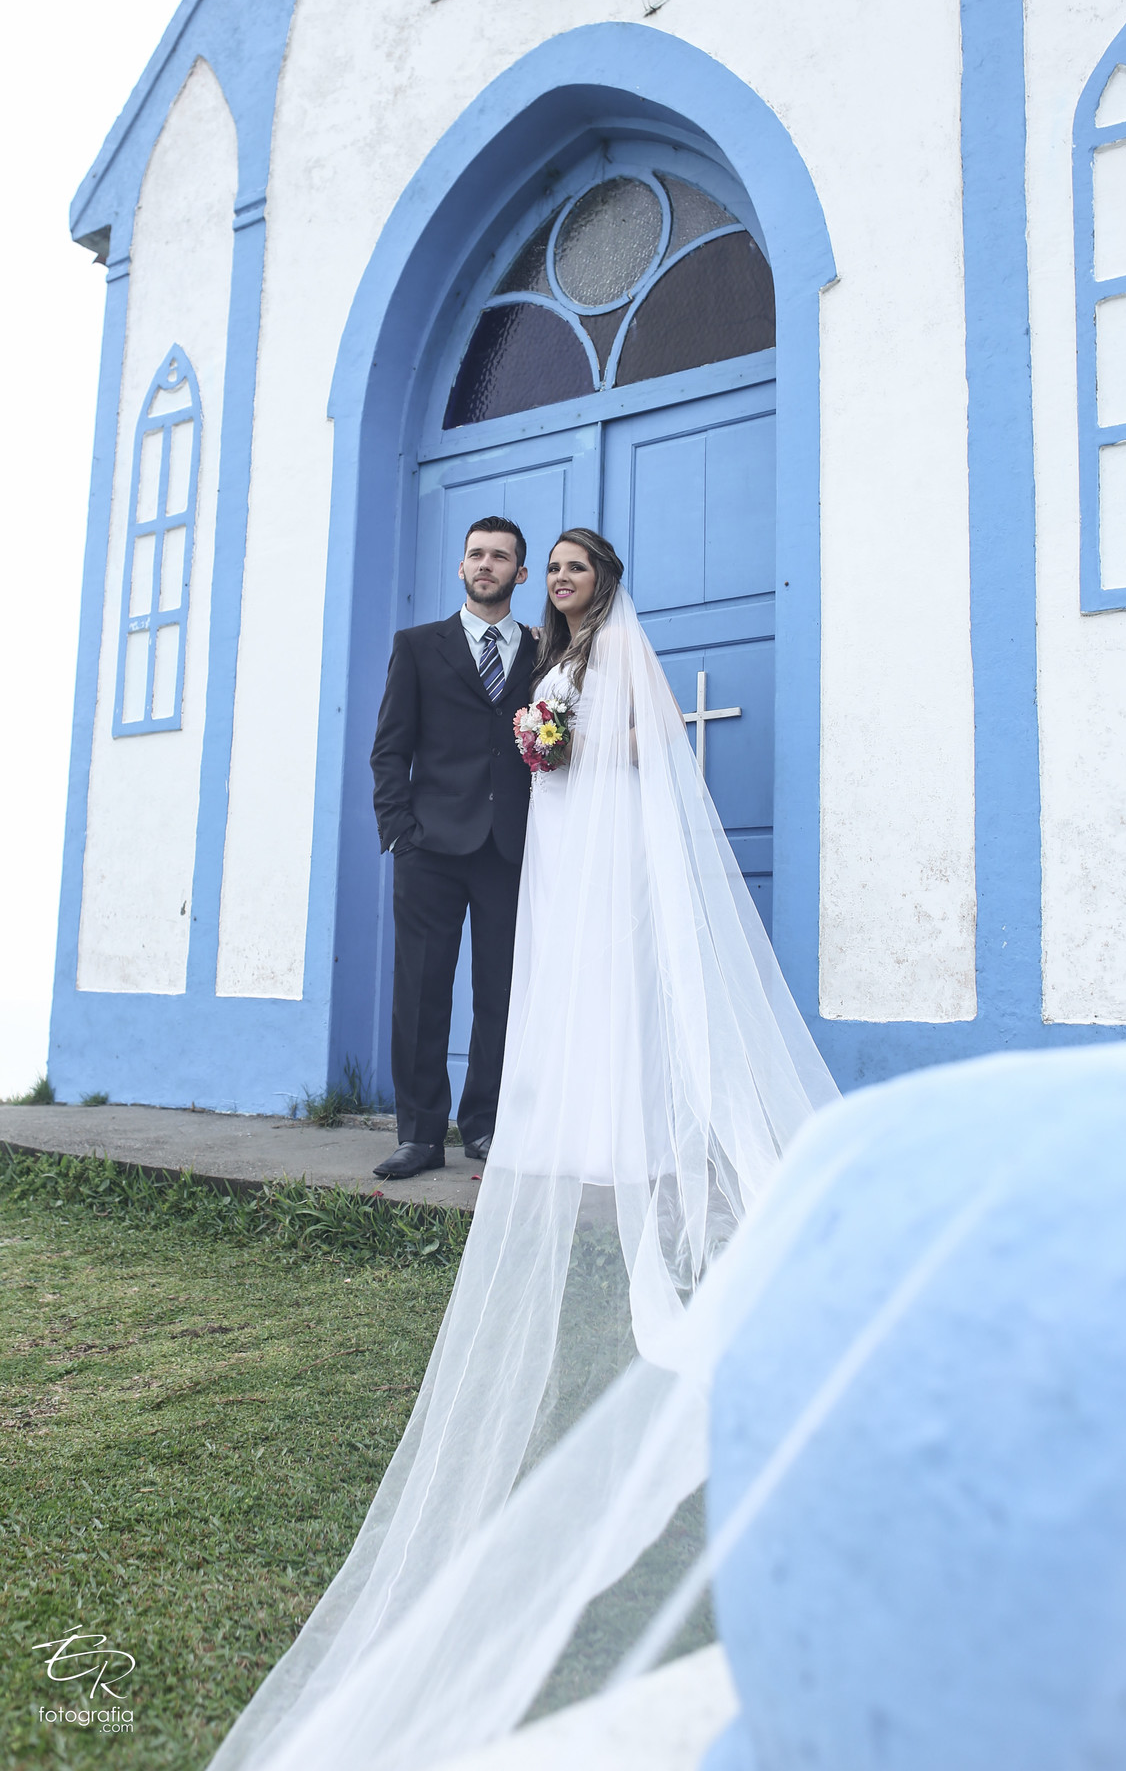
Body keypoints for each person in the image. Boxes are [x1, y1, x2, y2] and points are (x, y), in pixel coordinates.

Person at [207, 532, 839, 1771]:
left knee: (532, 995)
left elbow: (637, 743)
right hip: (480, 840)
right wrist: (405, 819)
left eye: (558, 567)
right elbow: (401, 742)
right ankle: (420, 1127)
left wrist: (562, 743)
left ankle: (519, 1116)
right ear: (477, 568)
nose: (540, 578)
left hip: (564, 841)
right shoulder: (477, 648)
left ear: (594, 580)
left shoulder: (587, 654)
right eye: (520, 562)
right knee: (444, 991)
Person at [369, 516, 536, 1178]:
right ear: (461, 567)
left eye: (500, 557)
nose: (486, 564)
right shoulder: (417, 646)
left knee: (500, 993)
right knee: (421, 991)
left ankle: (485, 1124)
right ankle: (419, 1134)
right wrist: (399, 834)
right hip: (430, 847)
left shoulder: (542, 649)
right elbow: (390, 749)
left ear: (520, 574)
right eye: (476, 554)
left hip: (510, 847)